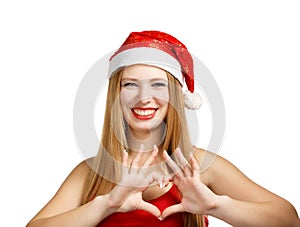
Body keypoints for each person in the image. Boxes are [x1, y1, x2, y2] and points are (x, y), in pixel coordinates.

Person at [27, 30, 299, 227]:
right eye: (130, 84)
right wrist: (107, 204)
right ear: (116, 96)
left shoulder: (200, 164)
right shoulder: (91, 172)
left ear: (176, 97)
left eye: (157, 84)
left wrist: (216, 206)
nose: (143, 97)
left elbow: (288, 219)